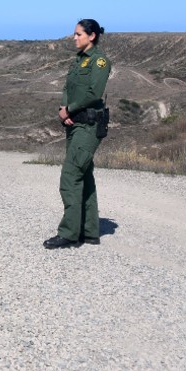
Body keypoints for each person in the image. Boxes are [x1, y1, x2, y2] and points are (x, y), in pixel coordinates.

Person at [44, 18, 111, 249]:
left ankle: (69, 234)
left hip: (89, 127)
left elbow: (94, 93)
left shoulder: (99, 61)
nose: (74, 38)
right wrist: (64, 110)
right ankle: (89, 231)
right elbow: (67, 88)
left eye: (78, 34)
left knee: (70, 176)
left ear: (91, 36)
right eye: (74, 34)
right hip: (74, 125)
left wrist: (70, 109)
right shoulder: (77, 61)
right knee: (85, 176)